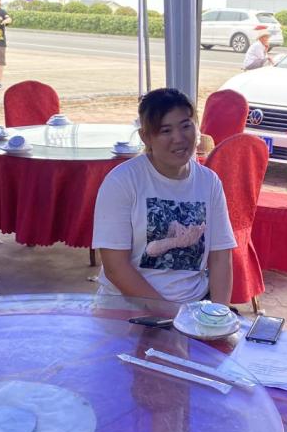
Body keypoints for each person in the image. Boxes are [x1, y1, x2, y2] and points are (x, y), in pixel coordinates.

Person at [92, 88, 236, 304]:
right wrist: (171, 315)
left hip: (192, 306)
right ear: (146, 137)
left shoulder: (209, 182)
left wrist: (218, 314)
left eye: (186, 126)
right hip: (128, 308)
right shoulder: (122, 181)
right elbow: (116, 267)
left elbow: (220, 257)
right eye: (165, 131)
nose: (178, 138)